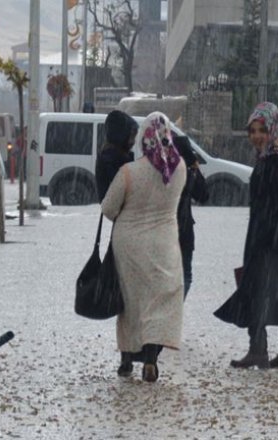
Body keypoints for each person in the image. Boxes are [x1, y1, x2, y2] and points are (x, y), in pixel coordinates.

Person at [214, 102, 278, 370]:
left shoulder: (276, 160)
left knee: (259, 293)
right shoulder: (268, 158)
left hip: (273, 239)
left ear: (273, 130)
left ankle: (262, 350)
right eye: (252, 131)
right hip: (268, 235)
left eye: (262, 130)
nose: (256, 136)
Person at [101, 111, 185, 382]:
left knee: (131, 302)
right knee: (158, 301)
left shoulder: (129, 172)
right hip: (165, 243)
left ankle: (127, 359)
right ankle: (151, 358)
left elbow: (108, 208)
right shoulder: (179, 168)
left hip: (129, 244)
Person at [173, 135, 209, 298]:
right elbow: (203, 195)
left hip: (170, 229)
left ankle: (170, 307)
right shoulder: (186, 172)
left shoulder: (165, 169)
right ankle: (174, 307)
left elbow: (203, 195)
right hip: (183, 229)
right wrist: (195, 168)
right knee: (185, 275)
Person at [96, 110, 138, 202]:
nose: (133, 142)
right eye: (131, 137)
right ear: (121, 136)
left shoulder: (122, 157)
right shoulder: (110, 161)